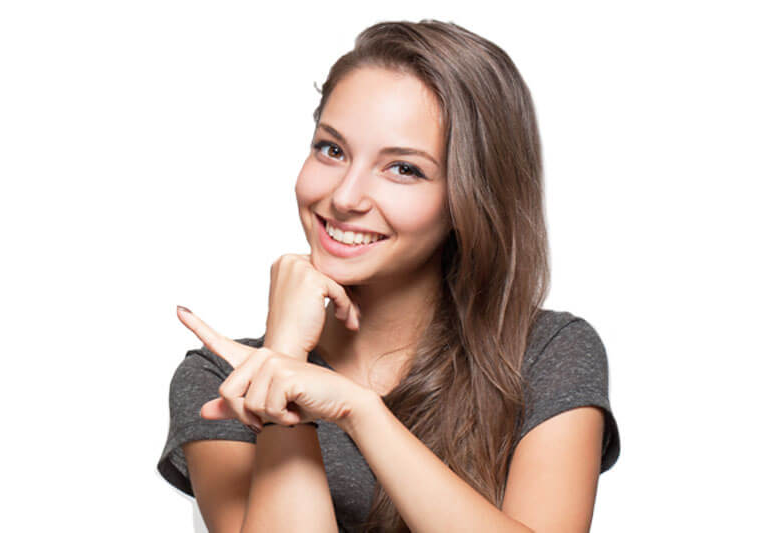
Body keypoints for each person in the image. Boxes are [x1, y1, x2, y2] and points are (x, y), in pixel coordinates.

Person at [157, 19, 620, 533]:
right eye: (331, 149)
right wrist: (283, 362)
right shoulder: (223, 378)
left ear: (472, 197)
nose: (346, 197)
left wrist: (361, 413)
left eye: (403, 168)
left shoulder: (544, 354)